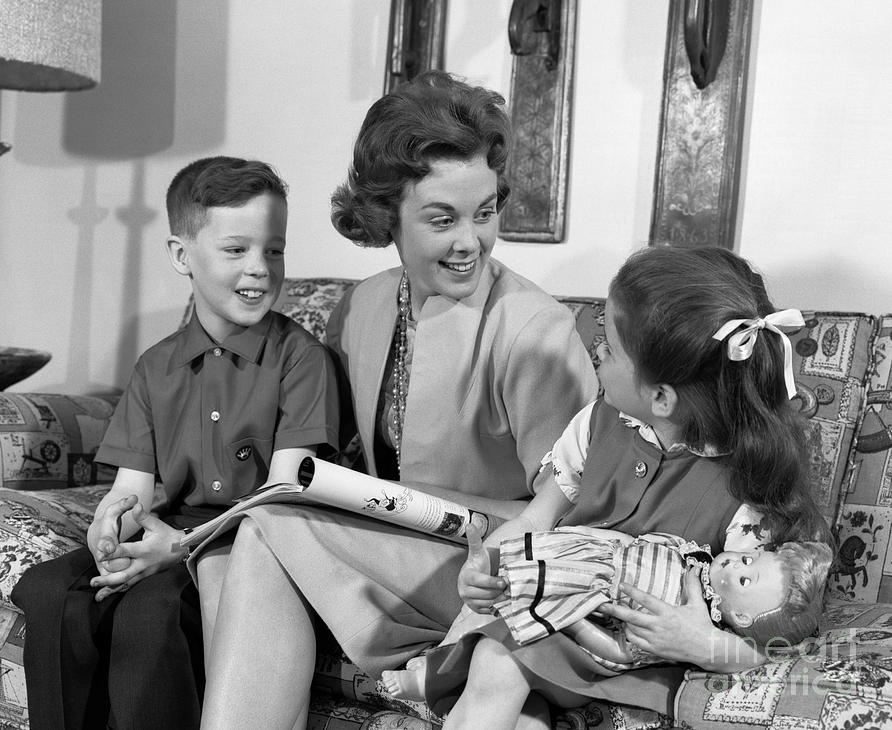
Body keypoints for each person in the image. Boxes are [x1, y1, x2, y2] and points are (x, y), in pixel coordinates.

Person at [190, 71, 599, 730]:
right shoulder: (364, 305)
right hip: (397, 549)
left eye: (486, 213)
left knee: (268, 528)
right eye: (443, 219)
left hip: (500, 569)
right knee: (225, 549)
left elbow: (573, 515)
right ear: (387, 216)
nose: (471, 242)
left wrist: (423, 509)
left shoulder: (535, 329)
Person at [381, 244, 834, 729]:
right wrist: (487, 568)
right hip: (558, 607)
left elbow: (768, 638)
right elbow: (537, 519)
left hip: (622, 651)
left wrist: (699, 642)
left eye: (609, 348)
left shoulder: (746, 493)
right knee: (521, 712)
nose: (596, 351)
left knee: (496, 660)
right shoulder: (597, 422)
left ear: (661, 396)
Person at [11, 156, 340, 730]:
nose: (260, 268)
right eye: (237, 250)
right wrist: (112, 525)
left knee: (150, 613)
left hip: (256, 541)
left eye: (275, 250)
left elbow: (284, 499)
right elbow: (132, 490)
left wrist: (181, 546)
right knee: (49, 589)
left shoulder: (302, 361)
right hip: (174, 525)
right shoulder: (154, 367)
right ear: (182, 256)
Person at [382, 526, 834, 703]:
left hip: (582, 624)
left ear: (739, 616)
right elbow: (631, 540)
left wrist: (572, 617)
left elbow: (620, 652)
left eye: (746, 580)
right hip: (576, 568)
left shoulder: (684, 619)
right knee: (501, 642)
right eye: (751, 559)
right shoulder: (695, 555)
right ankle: (434, 673)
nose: (738, 564)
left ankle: (430, 679)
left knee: (504, 642)